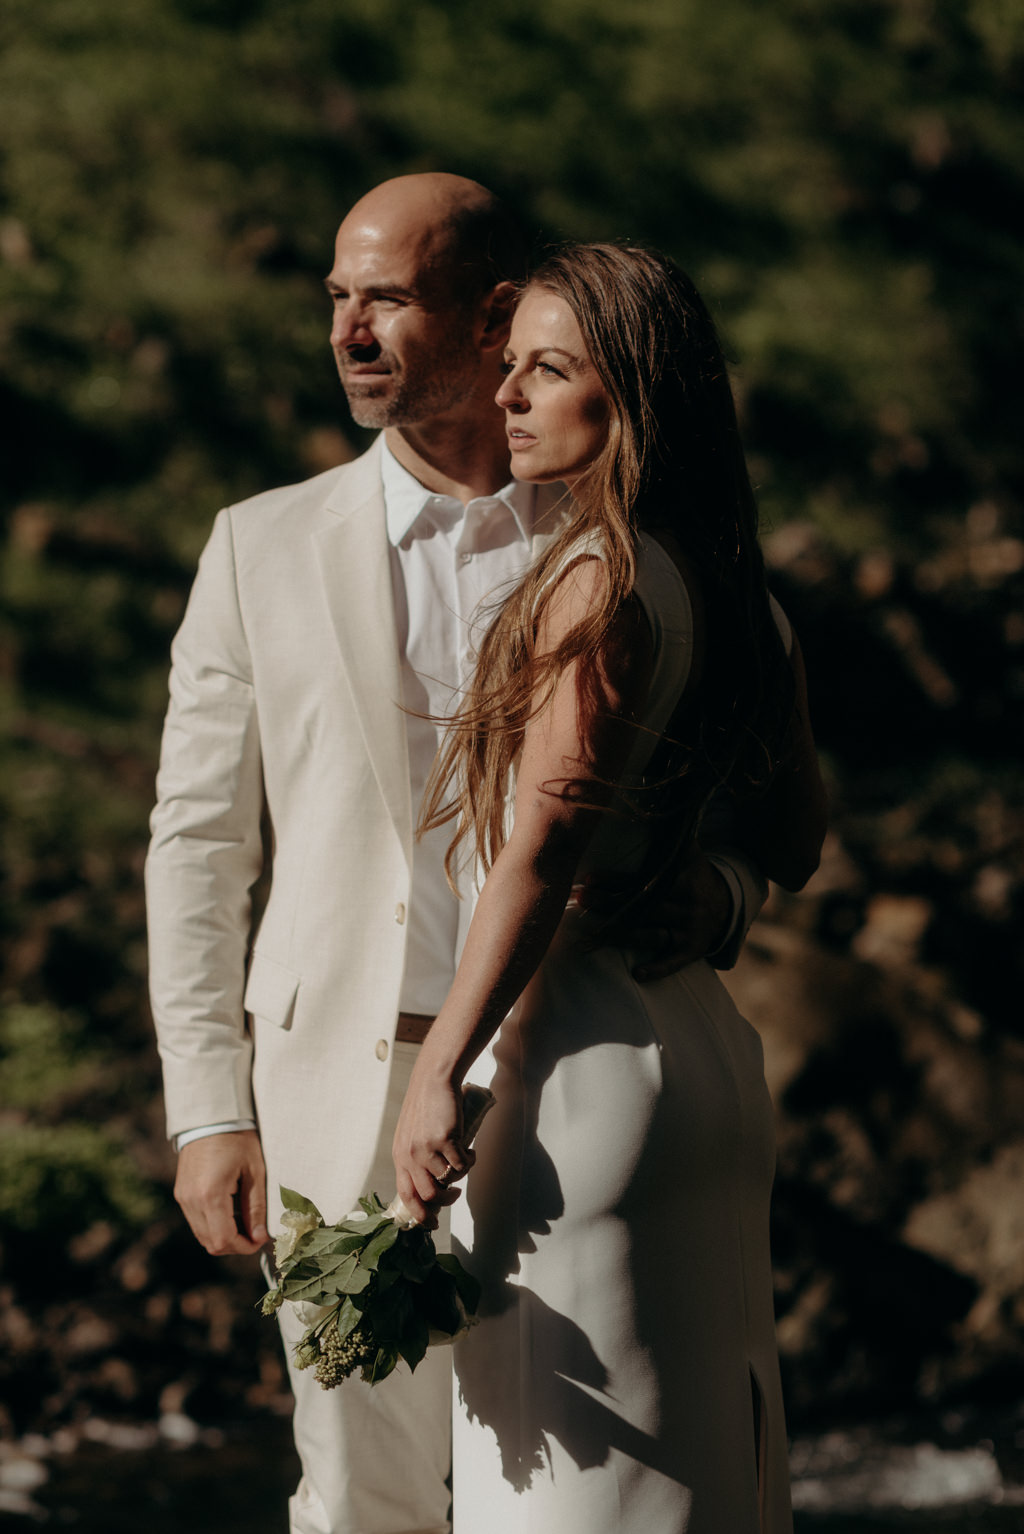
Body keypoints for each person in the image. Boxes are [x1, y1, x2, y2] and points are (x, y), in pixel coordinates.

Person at [145, 175, 774, 1534]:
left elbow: (748, 805)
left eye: (384, 297)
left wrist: (716, 894)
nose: (347, 330)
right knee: (362, 1494)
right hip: (335, 1100)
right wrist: (209, 1106)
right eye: (335, 298)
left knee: (571, 1477)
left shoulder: (613, 531)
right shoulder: (257, 546)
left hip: (564, 1092)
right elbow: (197, 842)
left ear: (494, 316)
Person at [391, 244, 827, 1534]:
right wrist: (728, 896)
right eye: (509, 365)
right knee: (703, 1475)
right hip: (696, 1049)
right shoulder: (744, 595)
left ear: (630, 395)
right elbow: (796, 835)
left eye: (549, 370)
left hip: (574, 1066)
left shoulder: (599, 573)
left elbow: (546, 842)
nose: (509, 396)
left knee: (572, 1500)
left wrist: (438, 1071)